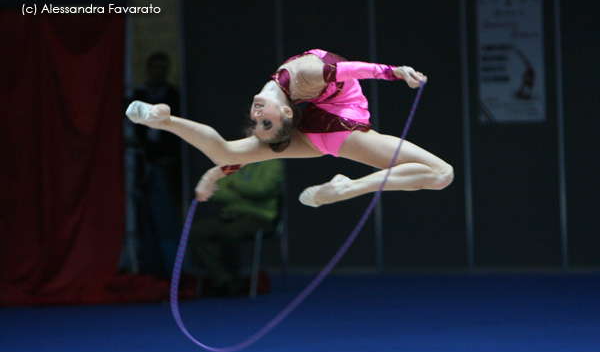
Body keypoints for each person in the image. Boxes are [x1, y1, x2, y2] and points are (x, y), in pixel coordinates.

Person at [126, 49, 453, 208]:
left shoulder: (288, 87)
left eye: (258, 124)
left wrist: (213, 174)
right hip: (341, 124)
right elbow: (351, 70)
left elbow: (351, 69)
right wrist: (396, 72)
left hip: (327, 125)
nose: (256, 117)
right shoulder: (304, 76)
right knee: (442, 174)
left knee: (224, 151)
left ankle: (165, 120)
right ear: (287, 112)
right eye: (264, 123)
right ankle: (349, 188)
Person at [189, 159, 284, 296]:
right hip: (230, 214)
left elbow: (260, 189)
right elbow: (216, 192)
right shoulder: (234, 159)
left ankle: (232, 282)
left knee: (229, 233)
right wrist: (244, 190)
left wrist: (233, 185)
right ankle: (224, 279)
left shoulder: (272, 163)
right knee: (197, 232)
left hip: (260, 216)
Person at [129, 52, 182, 277]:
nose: (159, 72)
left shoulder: (174, 96)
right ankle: (149, 273)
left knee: (165, 221)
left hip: (163, 167)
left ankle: (174, 277)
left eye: (163, 68)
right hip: (139, 165)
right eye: (155, 68)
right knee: (143, 222)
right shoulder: (136, 95)